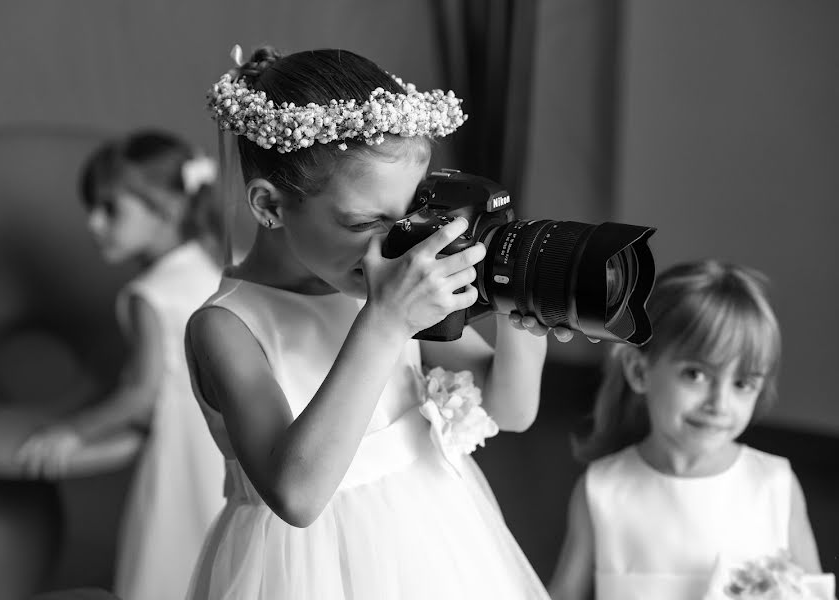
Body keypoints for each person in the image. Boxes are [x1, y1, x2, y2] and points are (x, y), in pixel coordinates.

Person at [182, 44, 574, 599]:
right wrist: (385, 323)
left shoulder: (382, 288)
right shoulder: (226, 326)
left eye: (411, 214)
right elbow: (297, 496)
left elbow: (511, 412)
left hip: (435, 546)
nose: (394, 245)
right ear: (269, 205)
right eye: (366, 221)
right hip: (304, 573)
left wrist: (517, 310)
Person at [16, 130, 227, 600]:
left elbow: (140, 394)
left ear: (167, 210)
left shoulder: (150, 294)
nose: (94, 223)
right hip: (229, 448)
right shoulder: (214, 267)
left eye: (111, 210)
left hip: (185, 456)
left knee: (179, 563)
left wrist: (72, 431)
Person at [547, 260, 823, 600]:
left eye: (742, 383)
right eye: (696, 374)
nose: (719, 403)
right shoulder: (602, 488)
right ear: (639, 370)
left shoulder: (773, 485)